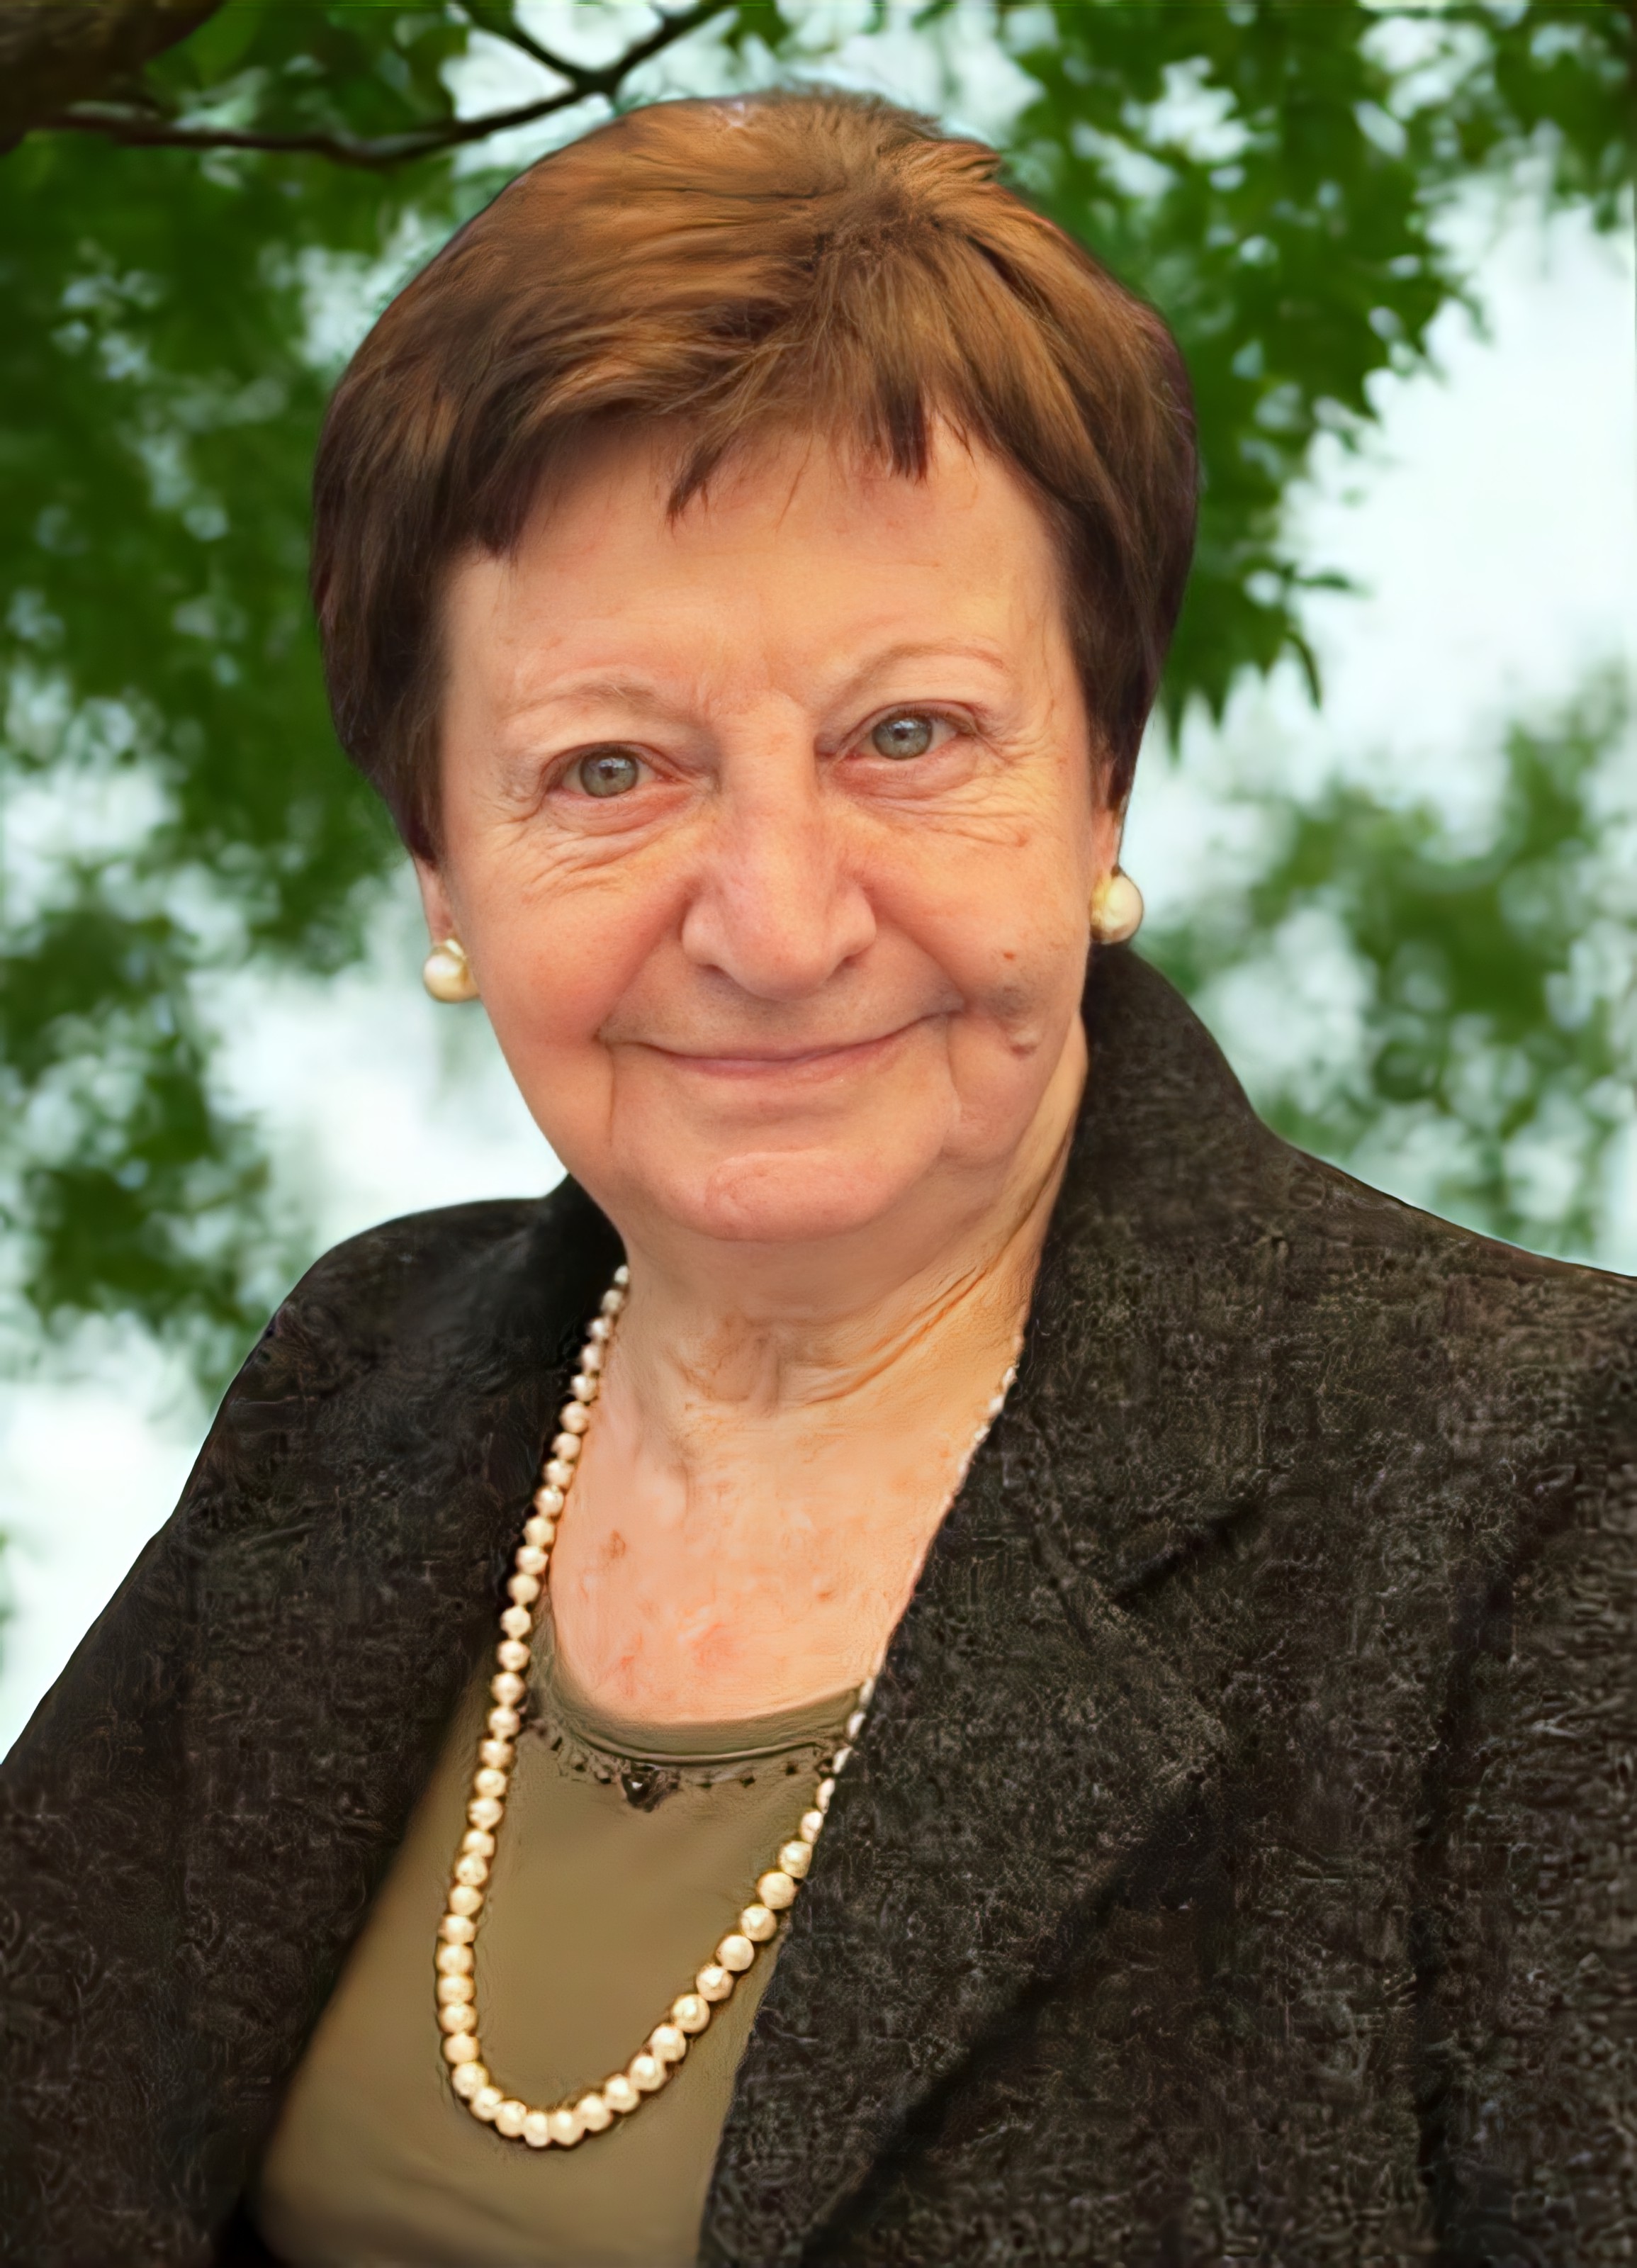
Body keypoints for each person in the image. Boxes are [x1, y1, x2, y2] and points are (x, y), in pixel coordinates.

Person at [2, 89, 1632, 2268]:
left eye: (907, 737)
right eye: (610, 768)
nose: (776, 925)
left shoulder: (1547, 1485)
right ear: (441, 865)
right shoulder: (362, 1371)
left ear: (1103, 786)